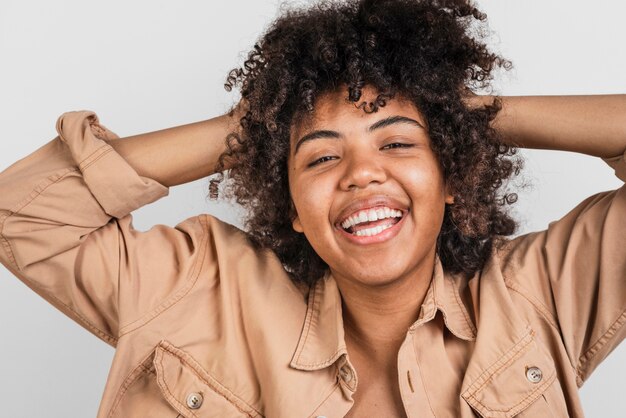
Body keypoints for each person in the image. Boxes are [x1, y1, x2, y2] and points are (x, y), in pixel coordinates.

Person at [0, 0, 624, 416]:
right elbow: (23, 217)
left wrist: (466, 112)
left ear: (452, 175)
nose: (361, 175)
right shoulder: (197, 288)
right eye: (322, 159)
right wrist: (254, 127)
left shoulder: (540, 291)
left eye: (399, 143)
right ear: (292, 204)